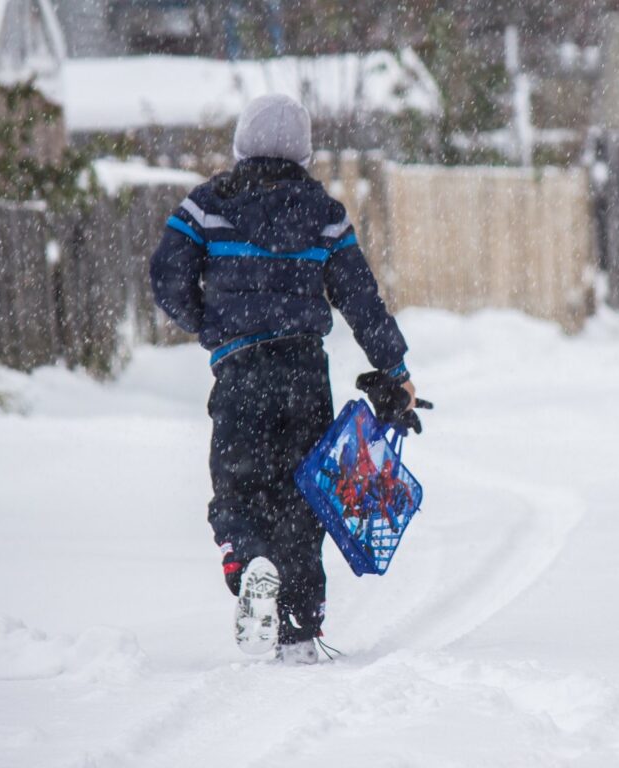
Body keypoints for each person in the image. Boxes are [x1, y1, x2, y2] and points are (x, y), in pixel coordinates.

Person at [149, 94, 423, 665]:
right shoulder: (323, 213)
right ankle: (300, 622)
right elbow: (361, 299)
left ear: (242, 143)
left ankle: (249, 559)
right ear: (304, 150)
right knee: (304, 495)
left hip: (240, 372)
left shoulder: (207, 206)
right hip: (303, 372)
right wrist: (394, 372)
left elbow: (167, 275)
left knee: (239, 484)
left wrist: (211, 326)